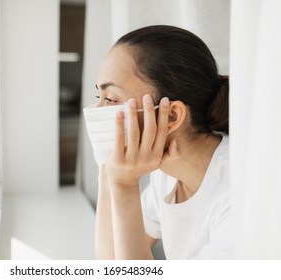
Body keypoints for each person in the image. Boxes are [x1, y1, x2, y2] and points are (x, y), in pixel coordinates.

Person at [91, 25, 231, 259]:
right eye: (99, 97)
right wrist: (108, 174)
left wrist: (124, 187)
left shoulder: (236, 199)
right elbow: (109, 264)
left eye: (111, 99)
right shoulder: (166, 177)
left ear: (172, 116)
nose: (94, 111)